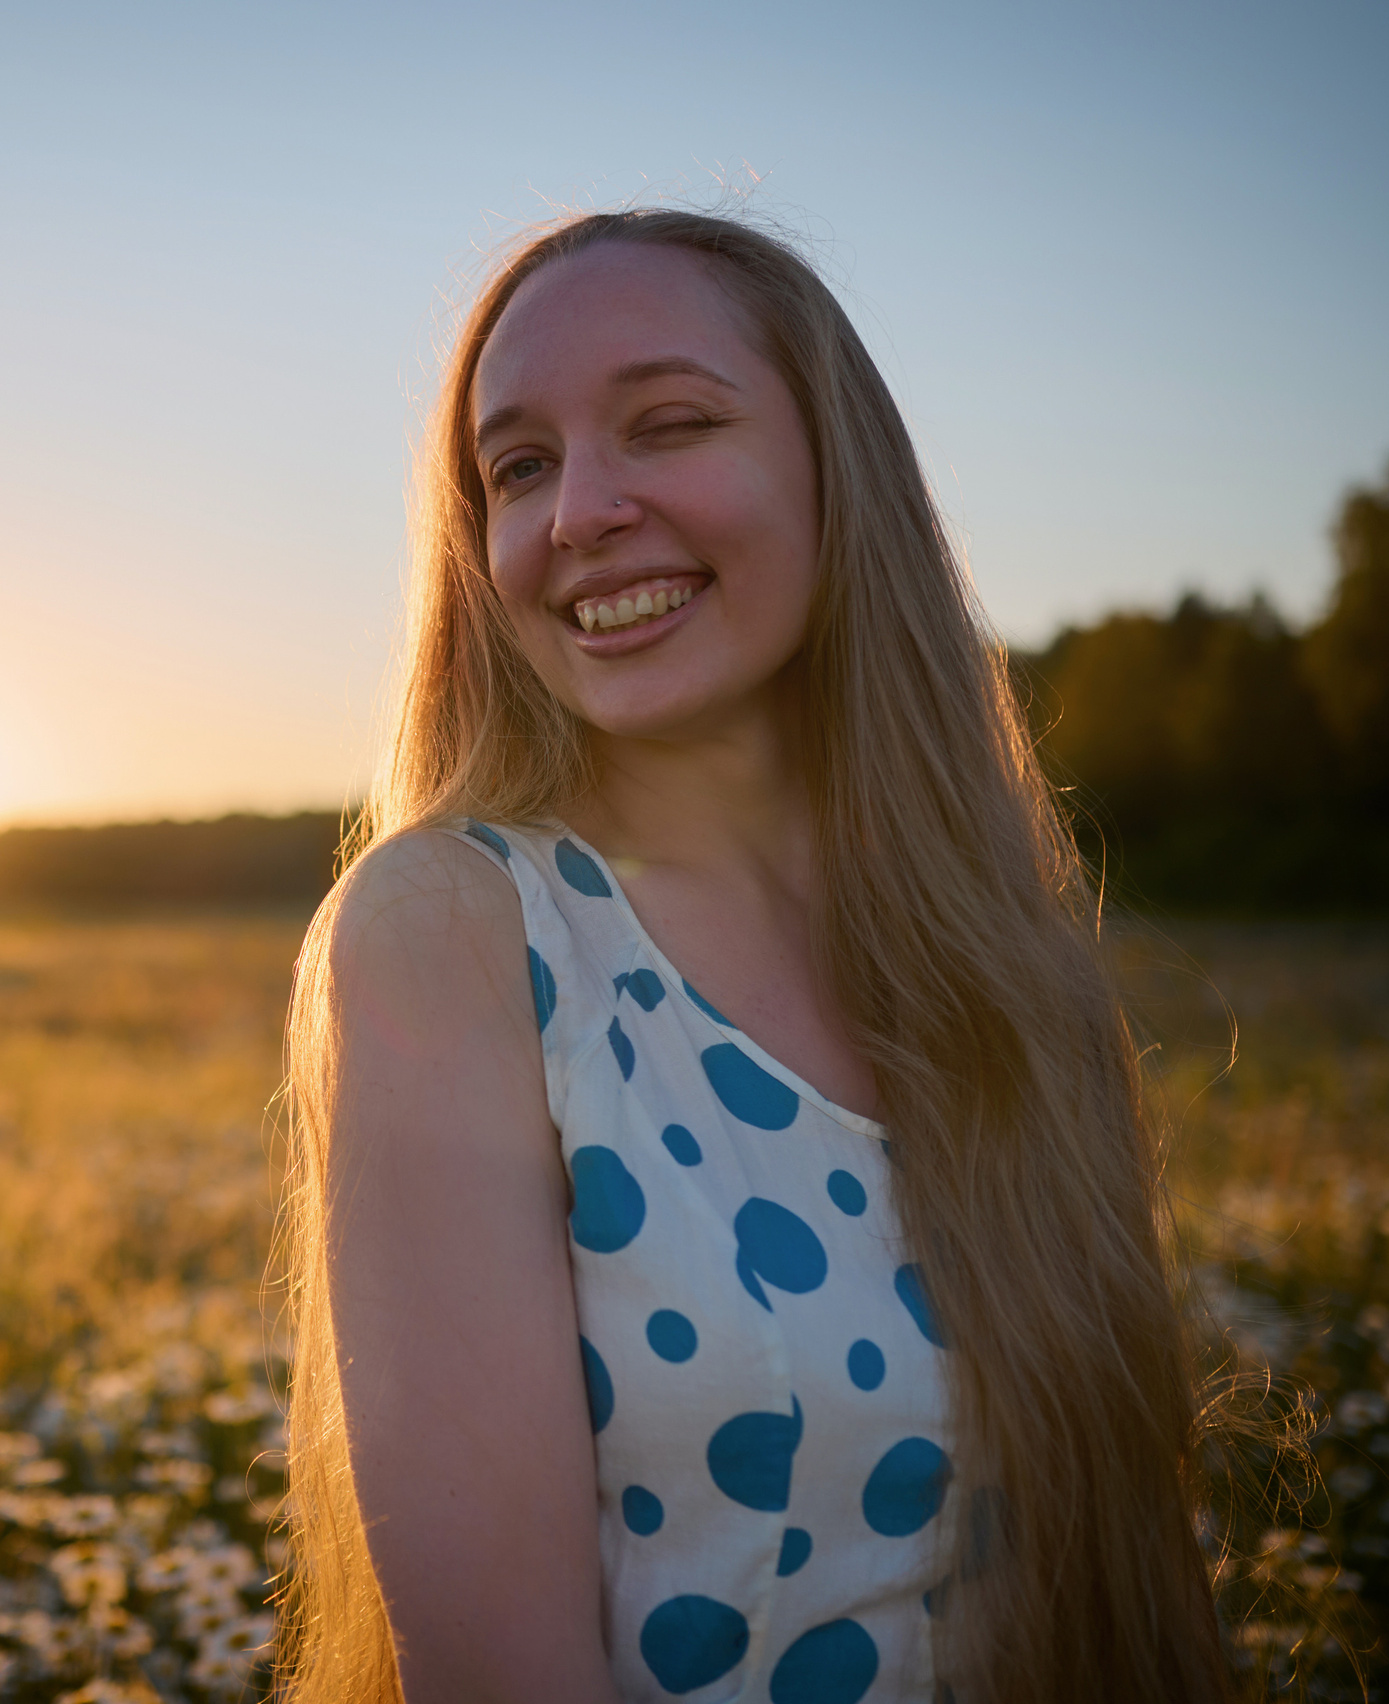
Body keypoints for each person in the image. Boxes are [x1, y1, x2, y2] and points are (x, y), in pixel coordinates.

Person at [274, 210, 1229, 1704]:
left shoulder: (1017, 978)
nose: (580, 510)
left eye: (669, 425)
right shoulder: (455, 934)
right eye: (518, 466)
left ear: (836, 478)